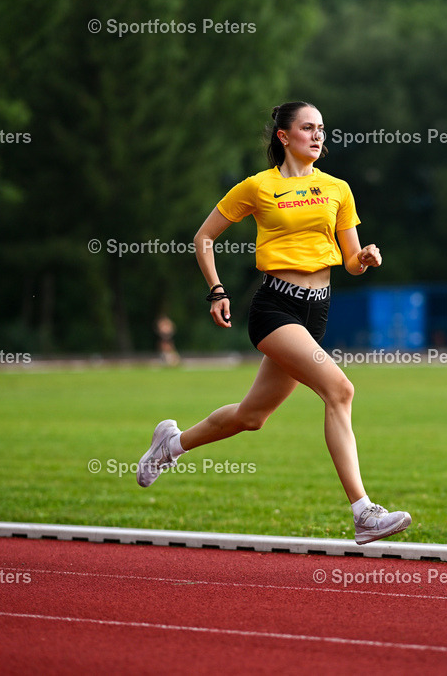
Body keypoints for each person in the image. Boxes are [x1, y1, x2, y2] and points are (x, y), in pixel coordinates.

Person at [137, 101, 411, 545]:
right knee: (339, 389)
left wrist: (365, 258)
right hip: (275, 309)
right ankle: (364, 512)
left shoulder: (338, 189)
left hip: (316, 310)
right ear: (284, 136)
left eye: (322, 128)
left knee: (252, 417)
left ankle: (171, 444)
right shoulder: (258, 187)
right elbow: (204, 237)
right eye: (308, 128)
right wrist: (218, 290)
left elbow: (351, 262)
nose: (318, 136)